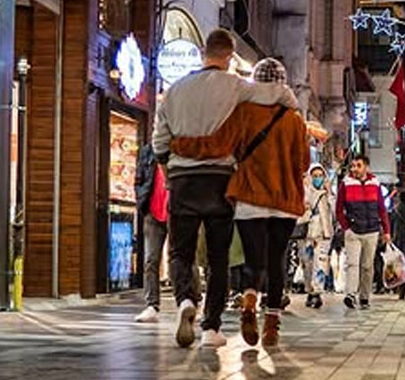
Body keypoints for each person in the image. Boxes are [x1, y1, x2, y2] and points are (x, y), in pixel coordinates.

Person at [153, 31, 298, 349]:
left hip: (182, 180)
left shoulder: (175, 90)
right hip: (220, 181)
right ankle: (210, 329)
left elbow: (159, 143)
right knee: (218, 258)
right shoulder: (235, 86)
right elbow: (276, 94)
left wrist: (169, 171)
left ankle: (185, 301)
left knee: (181, 251)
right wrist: (291, 102)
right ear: (230, 57)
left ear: (204, 53)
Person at [336, 155, 391, 310]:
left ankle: (365, 297)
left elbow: (382, 208)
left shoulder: (375, 183)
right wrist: (346, 227)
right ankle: (351, 294)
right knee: (352, 264)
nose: (355, 169)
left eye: (358, 165)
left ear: (366, 167)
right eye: (353, 166)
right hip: (353, 231)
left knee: (367, 266)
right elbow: (339, 209)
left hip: (372, 230)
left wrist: (386, 230)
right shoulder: (346, 184)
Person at [134, 144, 168, 323]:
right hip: (152, 212)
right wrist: (141, 201)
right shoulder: (148, 151)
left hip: (178, 211)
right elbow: (139, 179)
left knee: (185, 259)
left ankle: (189, 300)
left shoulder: (181, 146)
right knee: (150, 260)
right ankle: (151, 305)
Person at [301, 164, 335, 309]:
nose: (318, 179)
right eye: (314, 176)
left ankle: (317, 293)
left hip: (324, 232)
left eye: (320, 176)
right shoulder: (304, 192)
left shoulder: (328, 194)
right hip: (307, 233)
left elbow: (334, 212)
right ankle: (309, 291)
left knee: (320, 263)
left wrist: (328, 194)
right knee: (307, 263)